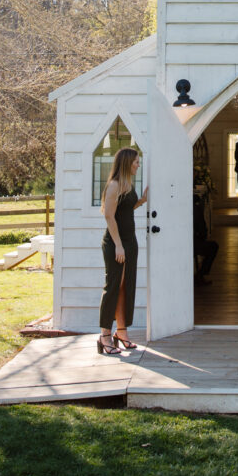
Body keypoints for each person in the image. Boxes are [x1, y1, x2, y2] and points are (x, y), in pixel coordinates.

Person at [98, 147, 148, 355]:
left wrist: (142, 201)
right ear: (127, 162)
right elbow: (109, 216)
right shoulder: (114, 185)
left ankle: (122, 332)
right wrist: (118, 244)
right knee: (113, 287)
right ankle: (104, 336)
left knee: (126, 286)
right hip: (115, 243)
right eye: (136, 162)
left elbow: (125, 209)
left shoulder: (128, 185)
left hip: (130, 241)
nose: (138, 165)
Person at [193, 192, 219, 286]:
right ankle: (200, 274)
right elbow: (202, 230)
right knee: (213, 247)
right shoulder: (194, 209)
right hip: (192, 244)